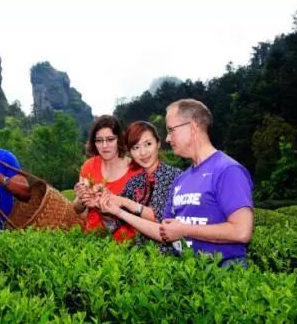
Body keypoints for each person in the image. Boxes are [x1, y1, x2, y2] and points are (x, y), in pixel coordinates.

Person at [100, 99, 254, 267]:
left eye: (171, 130)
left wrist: (184, 230)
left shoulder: (227, 170)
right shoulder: (182, 180)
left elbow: (242, 231)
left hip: (223, 272)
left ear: (193, 126)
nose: (167, 138)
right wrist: (117, 211)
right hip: (187, 272)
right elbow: (164, 231)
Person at [100, 121, 182, 249]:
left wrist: (126, 203)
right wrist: (102, 204)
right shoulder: (134, 182)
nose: (143, 153)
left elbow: (162, 220)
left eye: (148, 144)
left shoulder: (175, 177)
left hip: (170, 256)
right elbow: (113, 223)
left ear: (158, 143)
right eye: (136, 148)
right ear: (130, 152)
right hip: (141, 256)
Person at [73, 115, 142, 240]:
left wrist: (103, 206)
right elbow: (77, 209)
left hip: (128, 244)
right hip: (93, 240)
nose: (104, 146)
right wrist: (82, 199)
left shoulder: (136, 171)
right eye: (99, 140)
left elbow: (142, 216)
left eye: (110, 139)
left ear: (119, 139)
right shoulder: (89, 166)